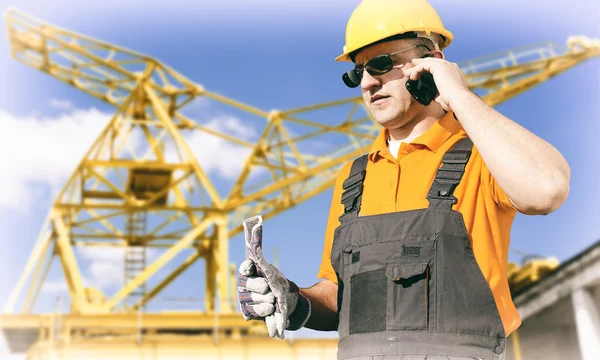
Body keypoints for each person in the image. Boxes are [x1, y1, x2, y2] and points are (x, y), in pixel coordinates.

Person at [236, 0, 571, 358]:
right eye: (356, 73)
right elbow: (339, 294)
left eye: (381, 64)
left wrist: (458, 95)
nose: (366, 82)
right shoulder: (352, 179)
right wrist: (292, 299)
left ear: (432, 63)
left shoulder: (483, 157)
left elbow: (546, 189)